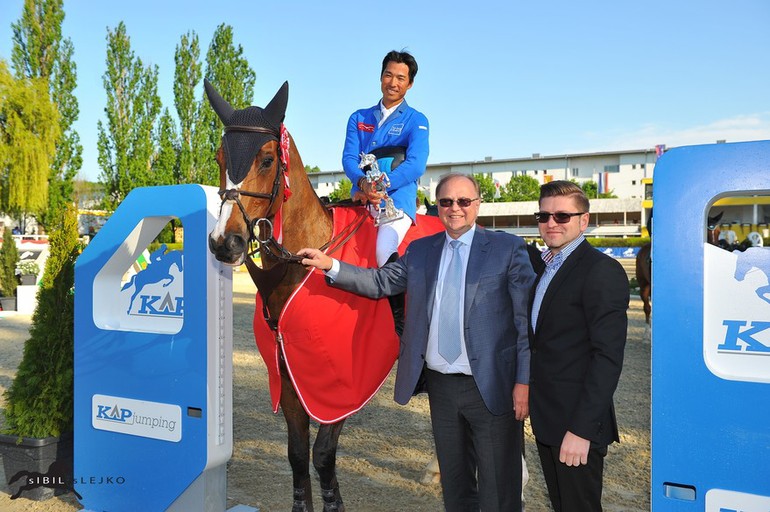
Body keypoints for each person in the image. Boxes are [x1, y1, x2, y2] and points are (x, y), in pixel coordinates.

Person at [299, 173, 535, 511]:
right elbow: (380, 282)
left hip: (492, 386)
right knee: (456, 488)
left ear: (478, 205)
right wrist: (331, 265)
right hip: (442, 388)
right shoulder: (422, 250)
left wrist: (523, 381)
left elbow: (523, 323)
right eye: (447, 202)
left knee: (500, 491)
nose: (455, 209)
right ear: (437, 206)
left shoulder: (507, 248)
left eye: (464, 201)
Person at [529, 180, 629, 511]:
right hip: (547, 419)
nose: (551, 223)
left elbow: (607, 358)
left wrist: (580, 430)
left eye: (562, 216)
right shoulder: (545, 266)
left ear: (583, 220)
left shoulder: (602, 271)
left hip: (576, 426)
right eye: (544, 216)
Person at [341, 49, 429, 267]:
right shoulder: (358, 117)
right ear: (381, 77)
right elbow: (349, 158)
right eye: (389, 75)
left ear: (410, 84)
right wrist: (362, 184)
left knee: (383, 251)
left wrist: (380, 186)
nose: (393, 83)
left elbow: (416, 165)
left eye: (401, 78)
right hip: (360, 195)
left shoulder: (417, 120)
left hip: (397, 202)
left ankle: (397, 303)